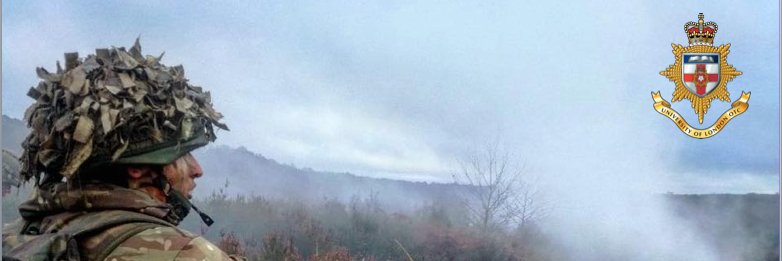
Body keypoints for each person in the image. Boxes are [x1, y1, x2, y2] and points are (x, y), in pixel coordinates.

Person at [2, 39, 244, 260]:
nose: (197, 170)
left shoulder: (13, 237)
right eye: (182, 154)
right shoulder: (184, 253)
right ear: (137, 168)